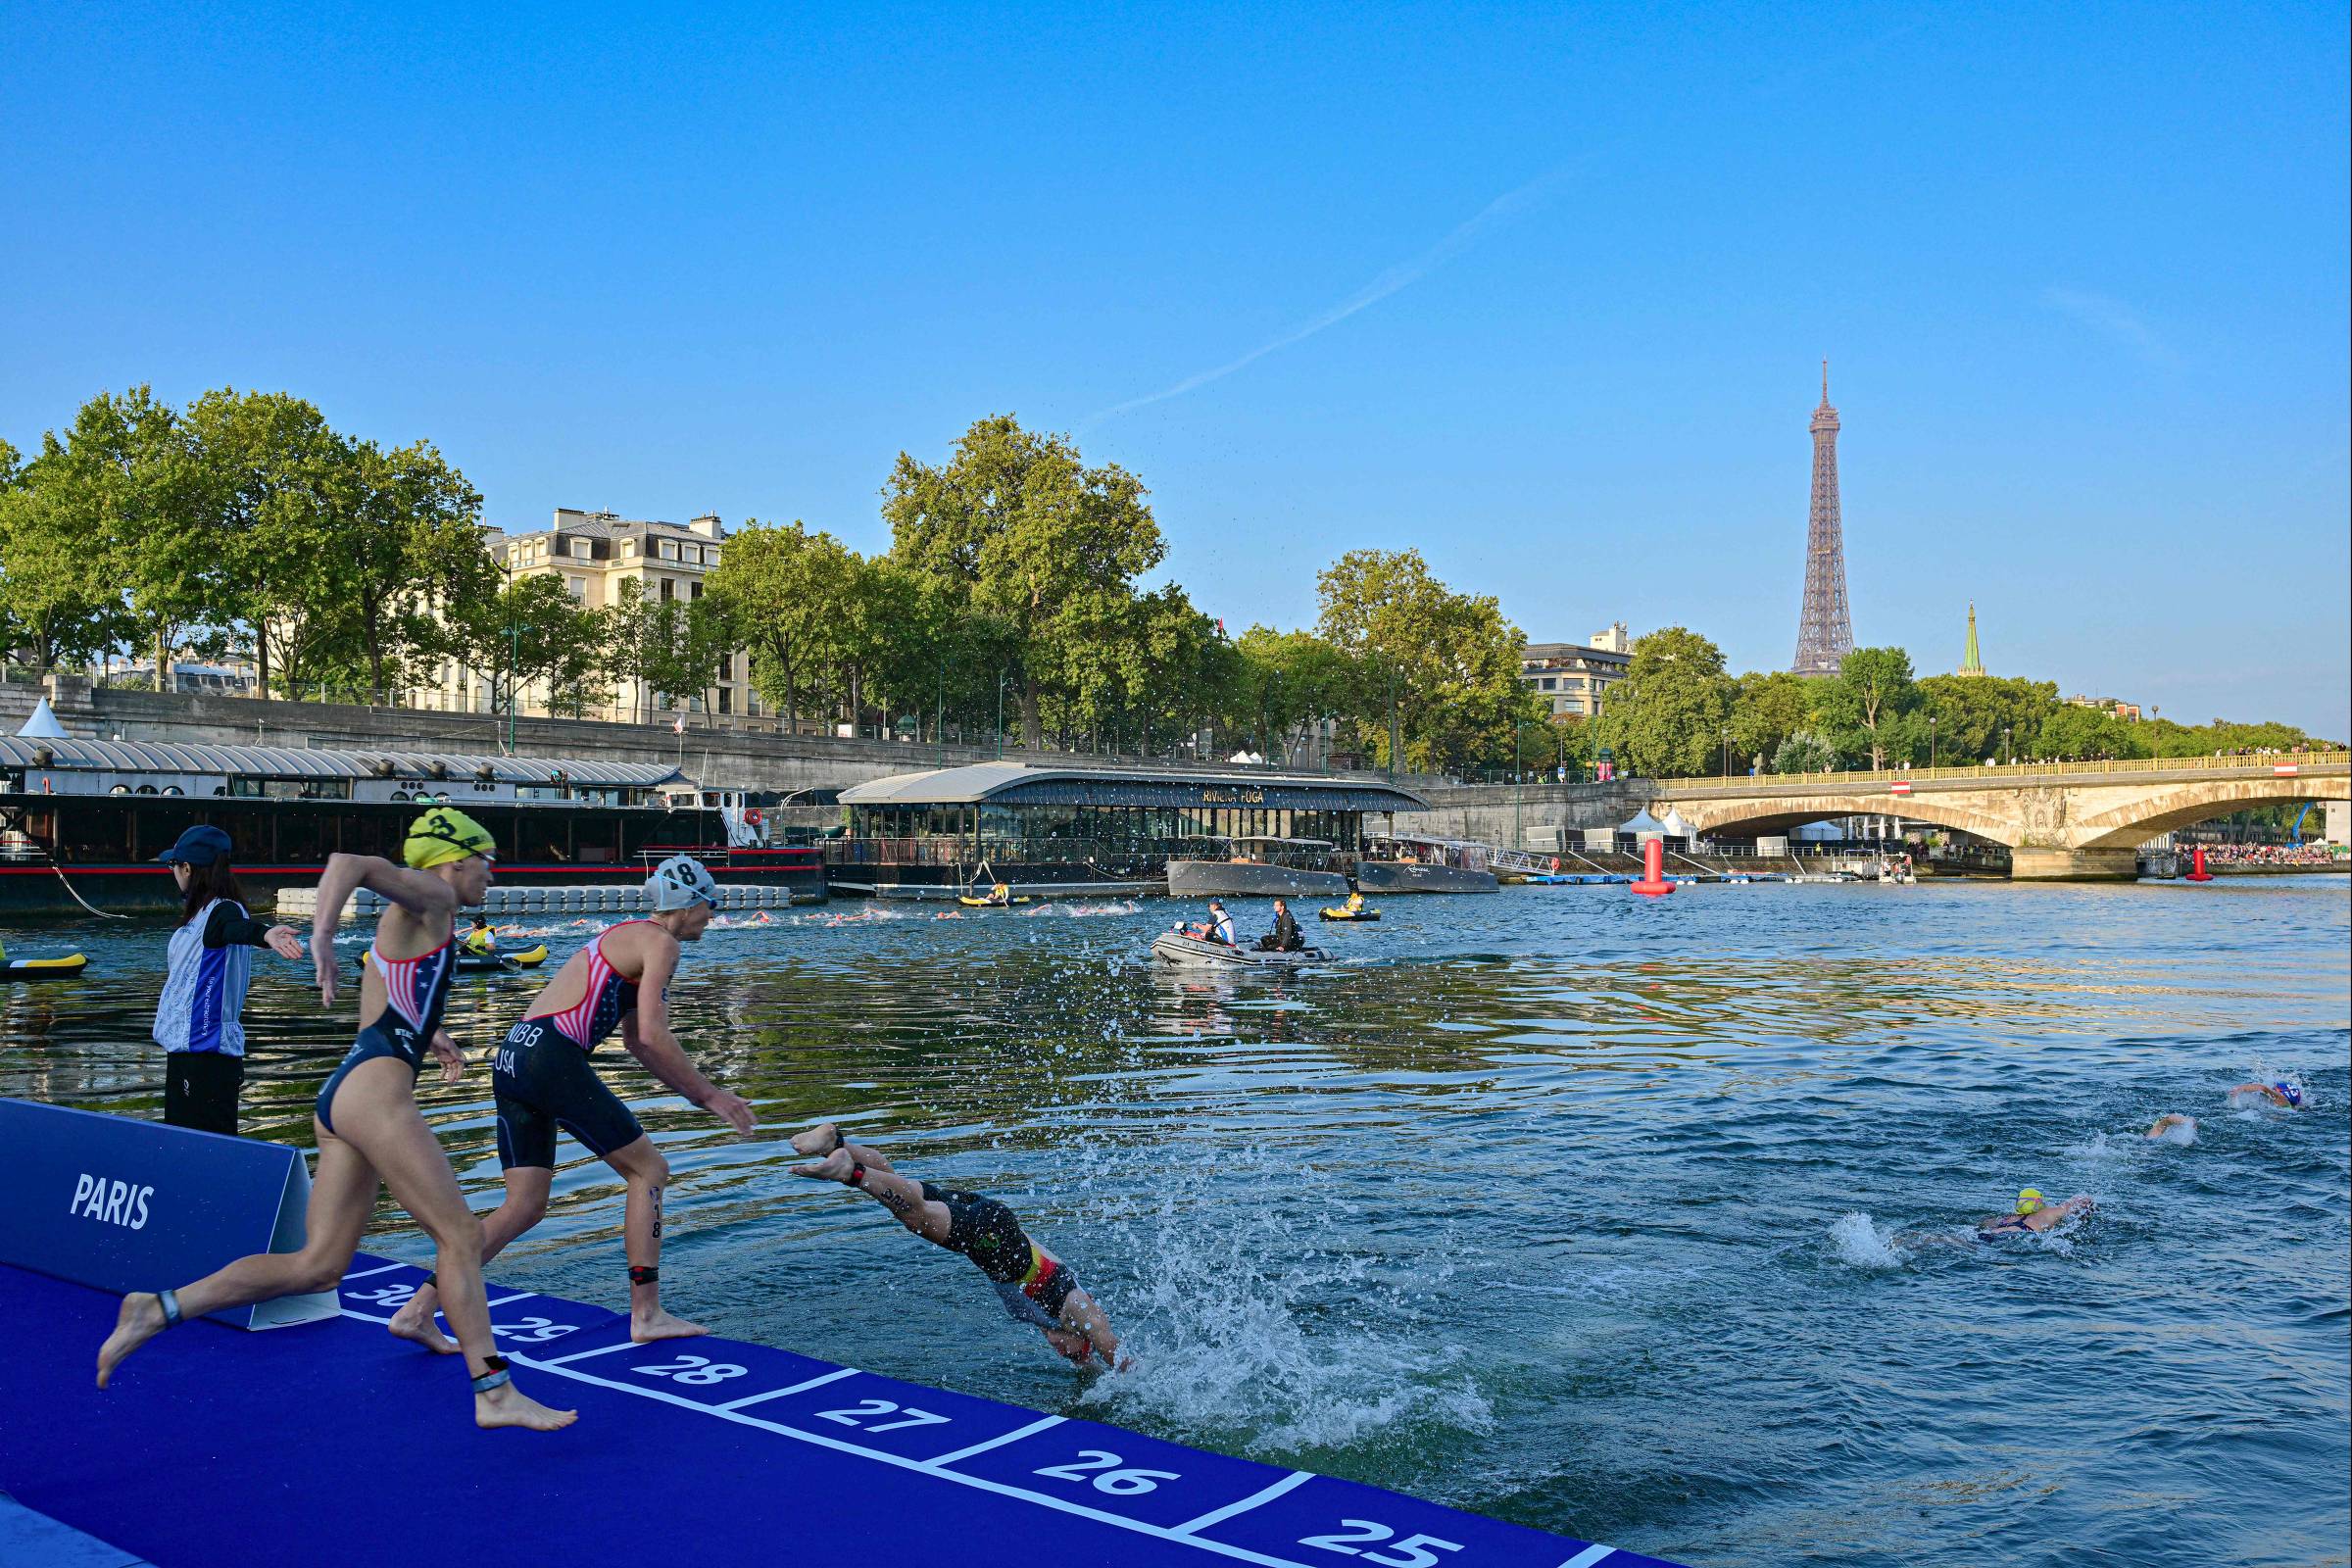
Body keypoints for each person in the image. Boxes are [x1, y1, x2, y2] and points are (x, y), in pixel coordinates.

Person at [97, 808, 575, 1432]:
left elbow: (389, 1000)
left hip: (344, 1093)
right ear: (455, 860)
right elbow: (349, 864)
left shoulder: (408, 918)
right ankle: (493, 1390)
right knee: (460, 1237)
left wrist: (433, 1037)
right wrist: (321, 935)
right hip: (377, 1097)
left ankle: (158, 1308)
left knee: (317, 1266)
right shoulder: (432, 893)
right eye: (487, 860)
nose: (493, 874)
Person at [387, 855, 756, 1348]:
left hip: (513, 1054)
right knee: (649, 1171)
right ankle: (646, 1314)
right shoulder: (661, 944)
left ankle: (417, 1311)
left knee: (523, 1207)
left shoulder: (628, 937)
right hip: (550, 1057)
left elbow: (638, 1043)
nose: (712, 915)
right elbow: (653, 1032)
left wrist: (696, 1094)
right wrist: (710, 1094)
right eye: (710, 905)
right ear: (688, 906)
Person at [789, 1123, 1122, 1368]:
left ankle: (833, 1143)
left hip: (989, 1224)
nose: (1062, 1352)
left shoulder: (1054, 1324)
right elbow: (1119, 1359)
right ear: (1085, 1339)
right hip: (995, 1233)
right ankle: (851, 1171)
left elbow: (1088, 1373)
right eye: (1075, 1352)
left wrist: (1084, 1367)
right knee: (916, 1218)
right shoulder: (1076, 1309)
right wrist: (1120, 1368)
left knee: (903, 1190)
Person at [151, 825, 305, 1136]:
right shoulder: (200, 914)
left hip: (206, 1055)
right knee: (182, 1145)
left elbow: (236, 929)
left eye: (173, 865)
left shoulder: (222, 911)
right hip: (186, 1051)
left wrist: (265, 934)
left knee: (205, 1147)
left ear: (188, 868)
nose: (172, 872)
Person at [1976, 1188, 2093, 1238]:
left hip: (1988, 1235)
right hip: (2012, 1238)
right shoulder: (2046, 1214)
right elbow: (2083, 1199)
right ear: (2039, 1202)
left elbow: (1981, 1224)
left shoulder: (2005, 1218)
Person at [2230, 1081, 2304, 1110]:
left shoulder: (2282, 1099)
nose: (2273, 1089)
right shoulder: (2292, 1107)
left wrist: (2239, 1089)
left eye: (2275, 1089)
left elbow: (2263, 1088)